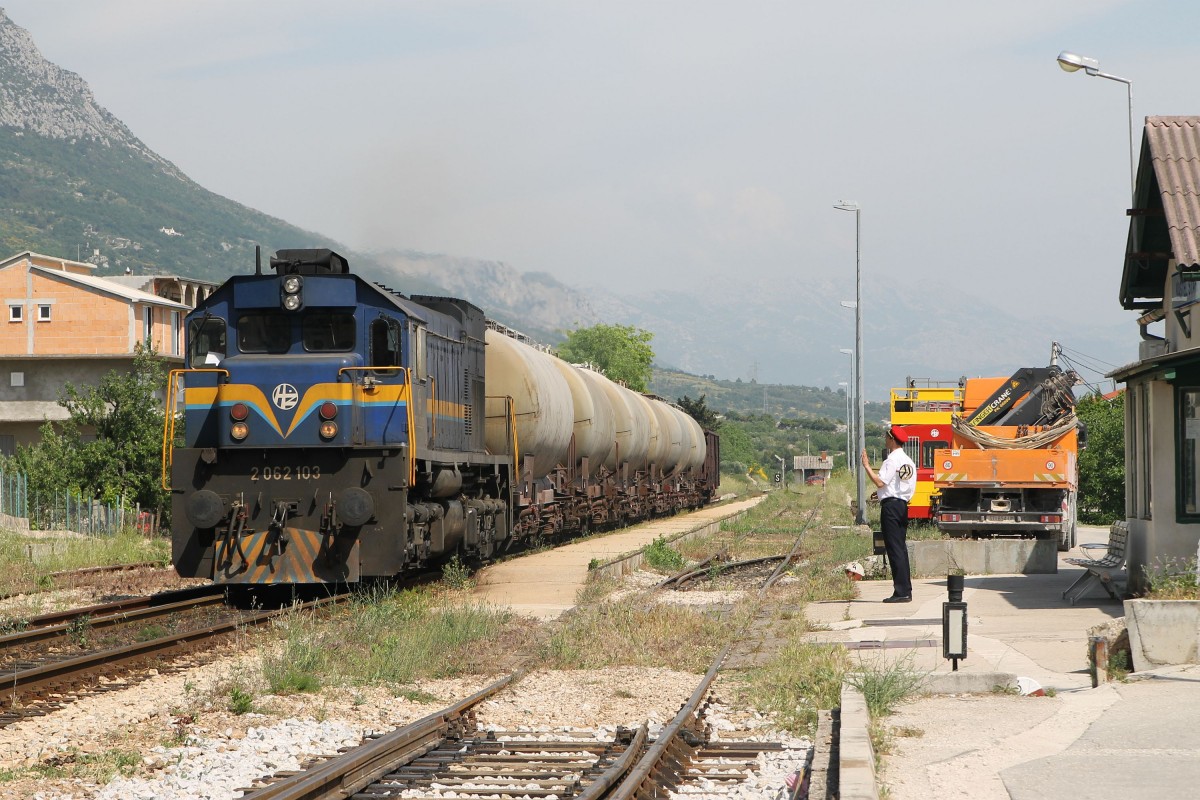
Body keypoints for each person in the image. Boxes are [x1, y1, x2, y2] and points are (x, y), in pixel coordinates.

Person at [861, 427, 917, 602]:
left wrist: (867, 466)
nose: (885, 439)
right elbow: (896, 486)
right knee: (900, 548)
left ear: (892, 439)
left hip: (891, 508)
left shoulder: (891, 460)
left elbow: (880, 481)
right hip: (902, 506)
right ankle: (905, 589)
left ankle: (901, 592)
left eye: (886, 436)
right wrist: (881, 493)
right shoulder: (908, 461)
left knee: (894, 549)